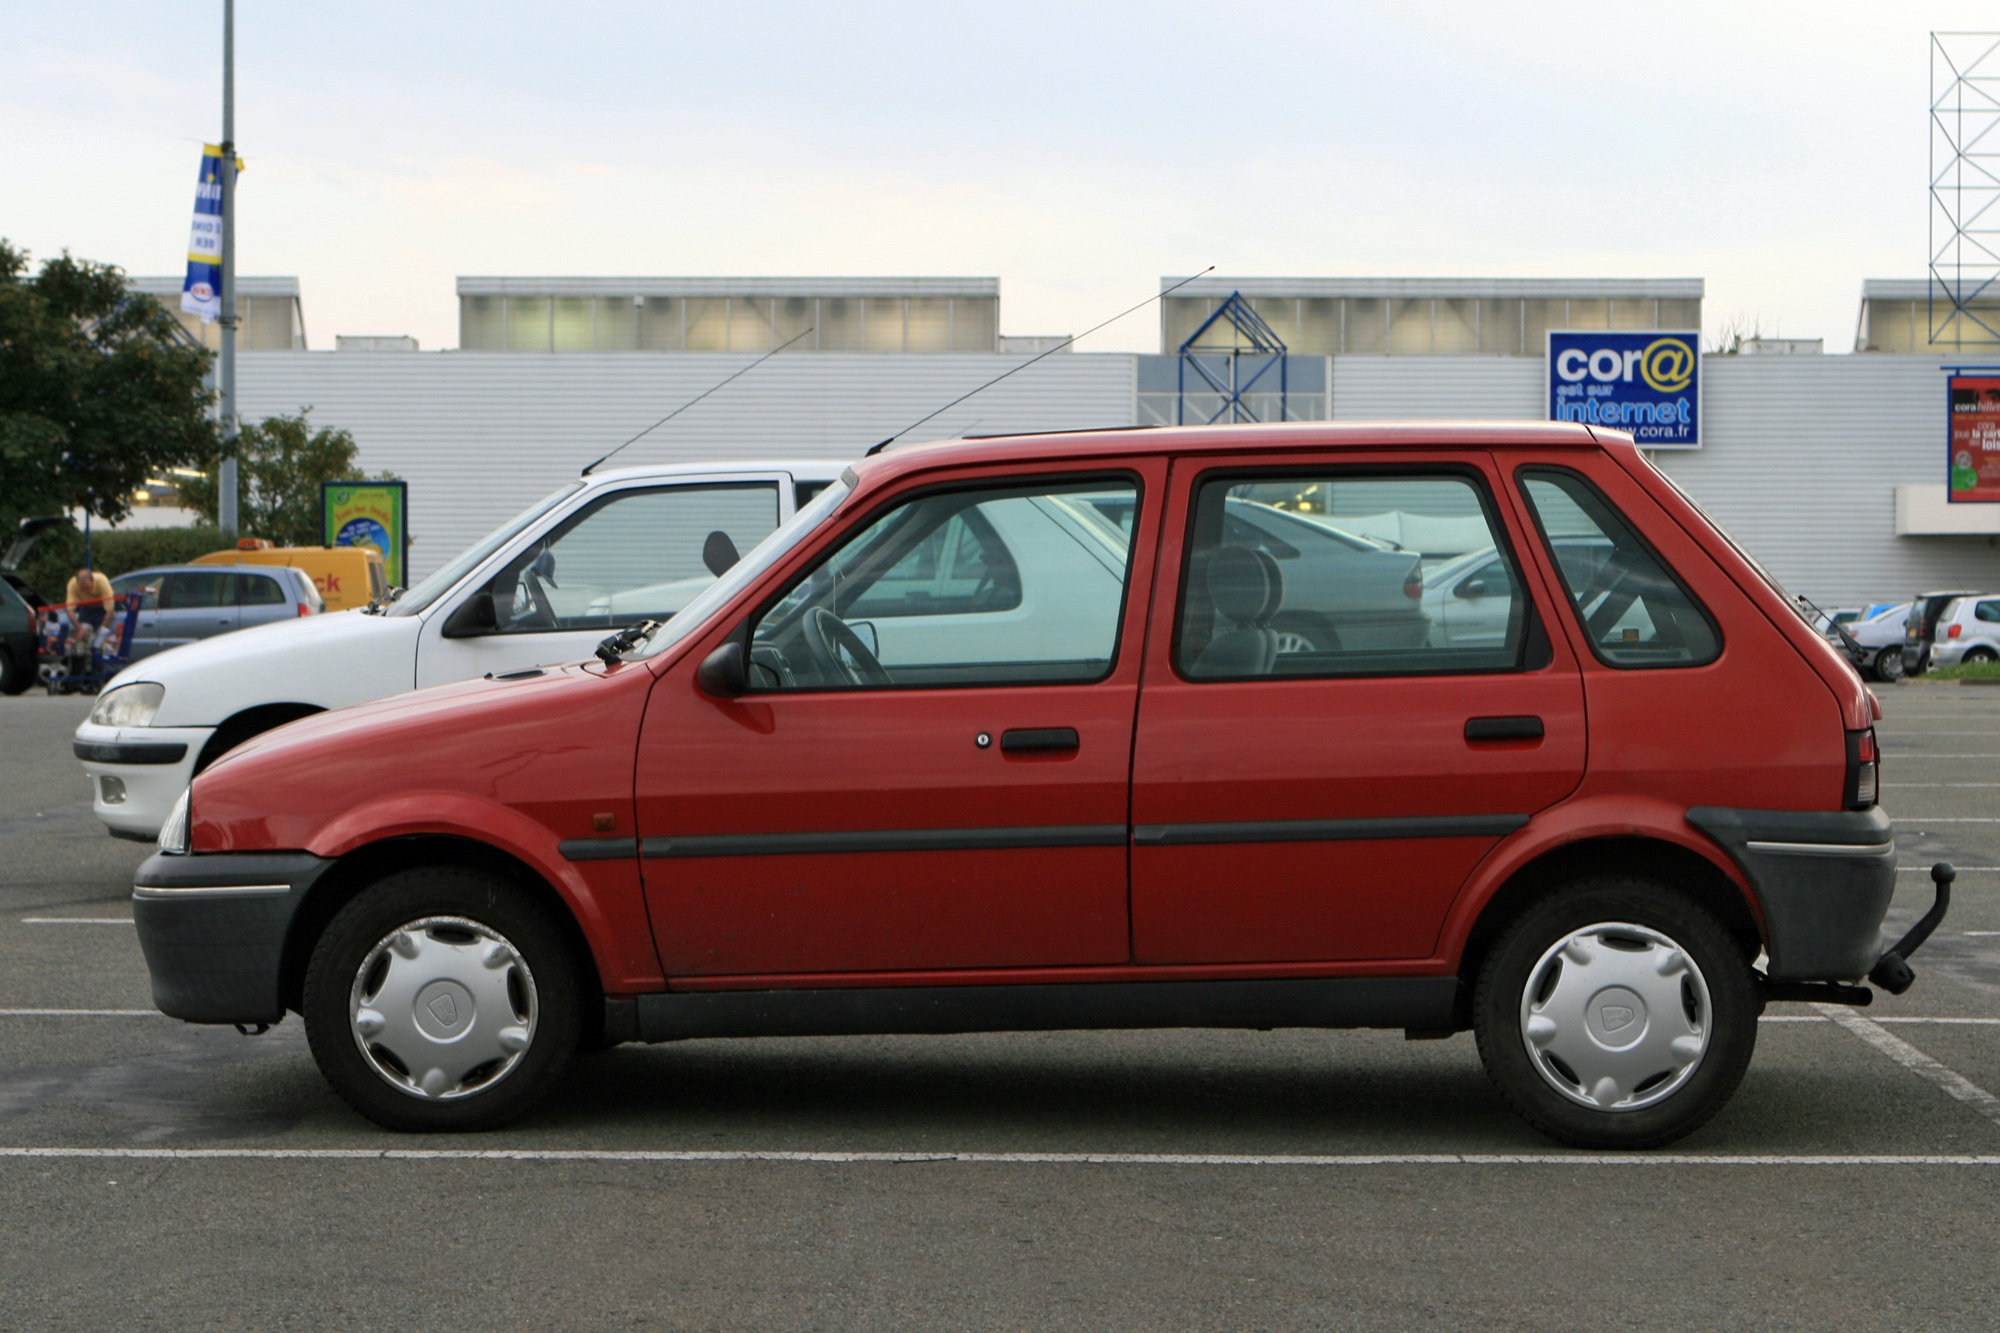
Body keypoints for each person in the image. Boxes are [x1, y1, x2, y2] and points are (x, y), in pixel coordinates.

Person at [65, 564, 113, 659]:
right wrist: (79, 628)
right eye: (83, 589)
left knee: (103, 638)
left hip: (102, 609)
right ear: (77, 583)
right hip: (86, 608)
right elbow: (70, 610)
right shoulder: (72, 585)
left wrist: (102, 631)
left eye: (88, 588)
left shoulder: (102, 581)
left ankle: (104, 657)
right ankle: (84, 658)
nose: (86, 591)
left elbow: (110, 610)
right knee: (83, 635)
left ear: (92, 581)